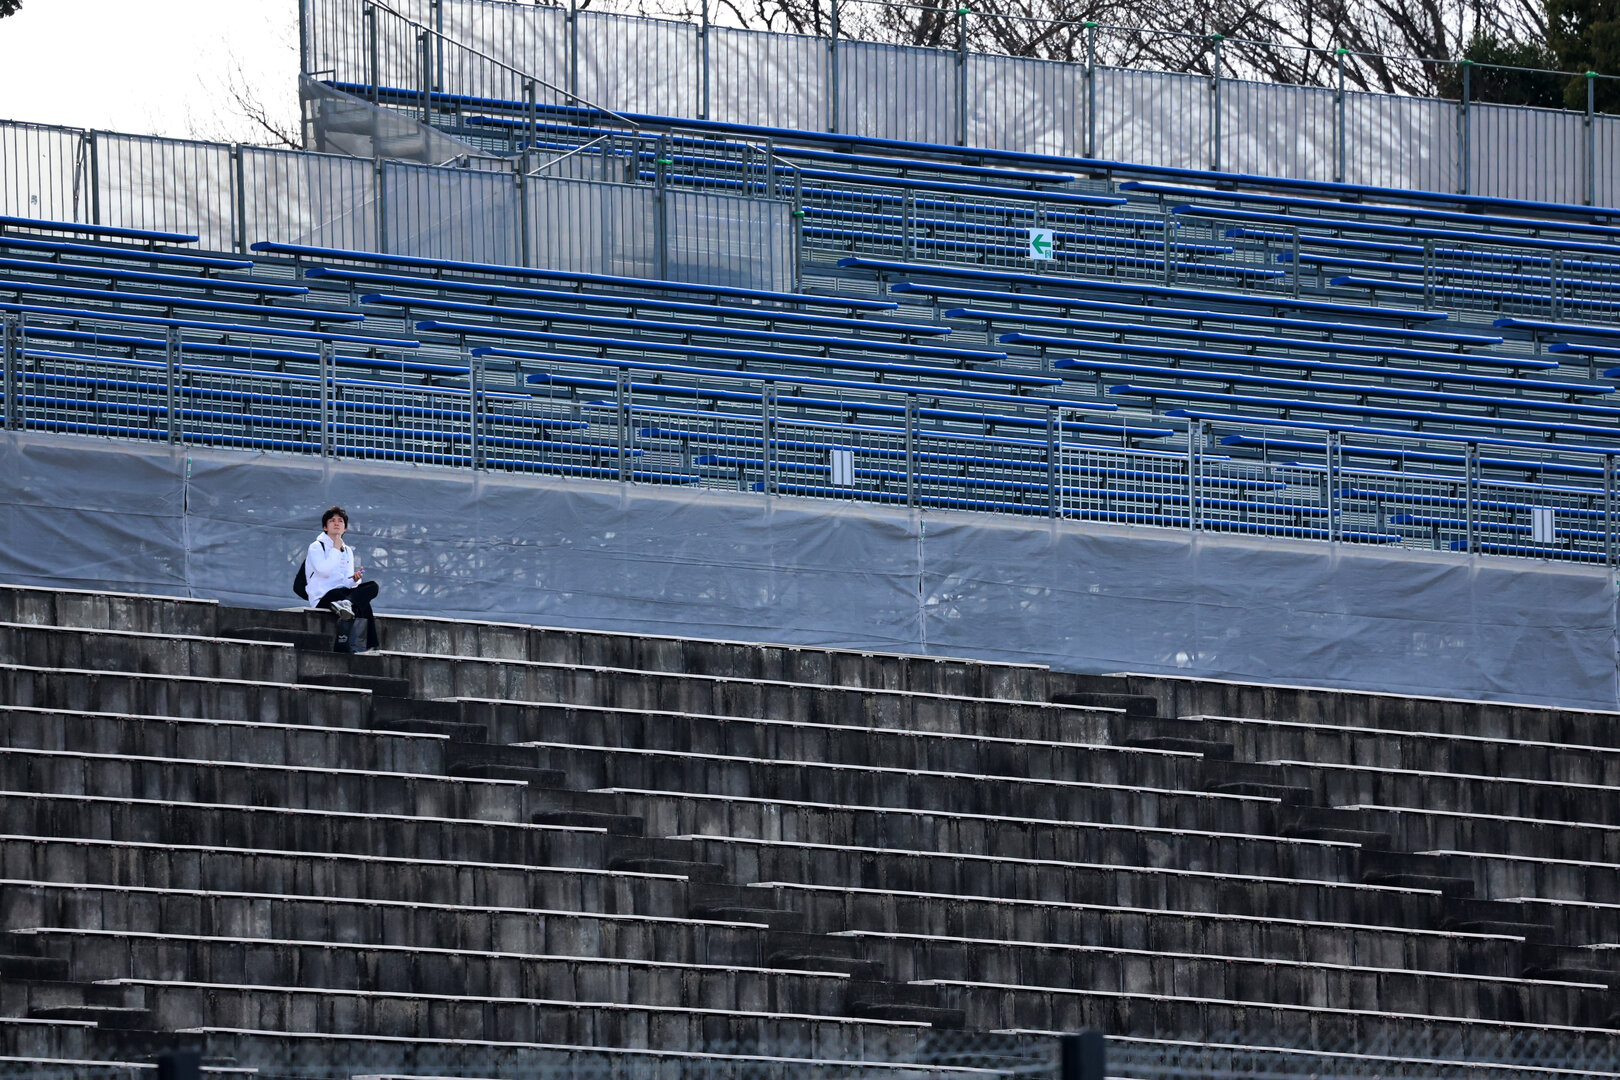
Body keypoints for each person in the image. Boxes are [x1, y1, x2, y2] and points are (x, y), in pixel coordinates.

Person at [305, 506, 380, 652]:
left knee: (372, 587)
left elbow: (346, 581)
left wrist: (354, 579)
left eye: (340, 521)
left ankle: (370, 646)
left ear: (345, 528)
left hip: (343, 596)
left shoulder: (347, 551)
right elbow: (324, 571)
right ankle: (347, 604)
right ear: (325, 527)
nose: (336, 523)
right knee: (354, 600)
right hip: (323, 596)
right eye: (332, 521)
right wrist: (335, 549)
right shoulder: (316, 547)